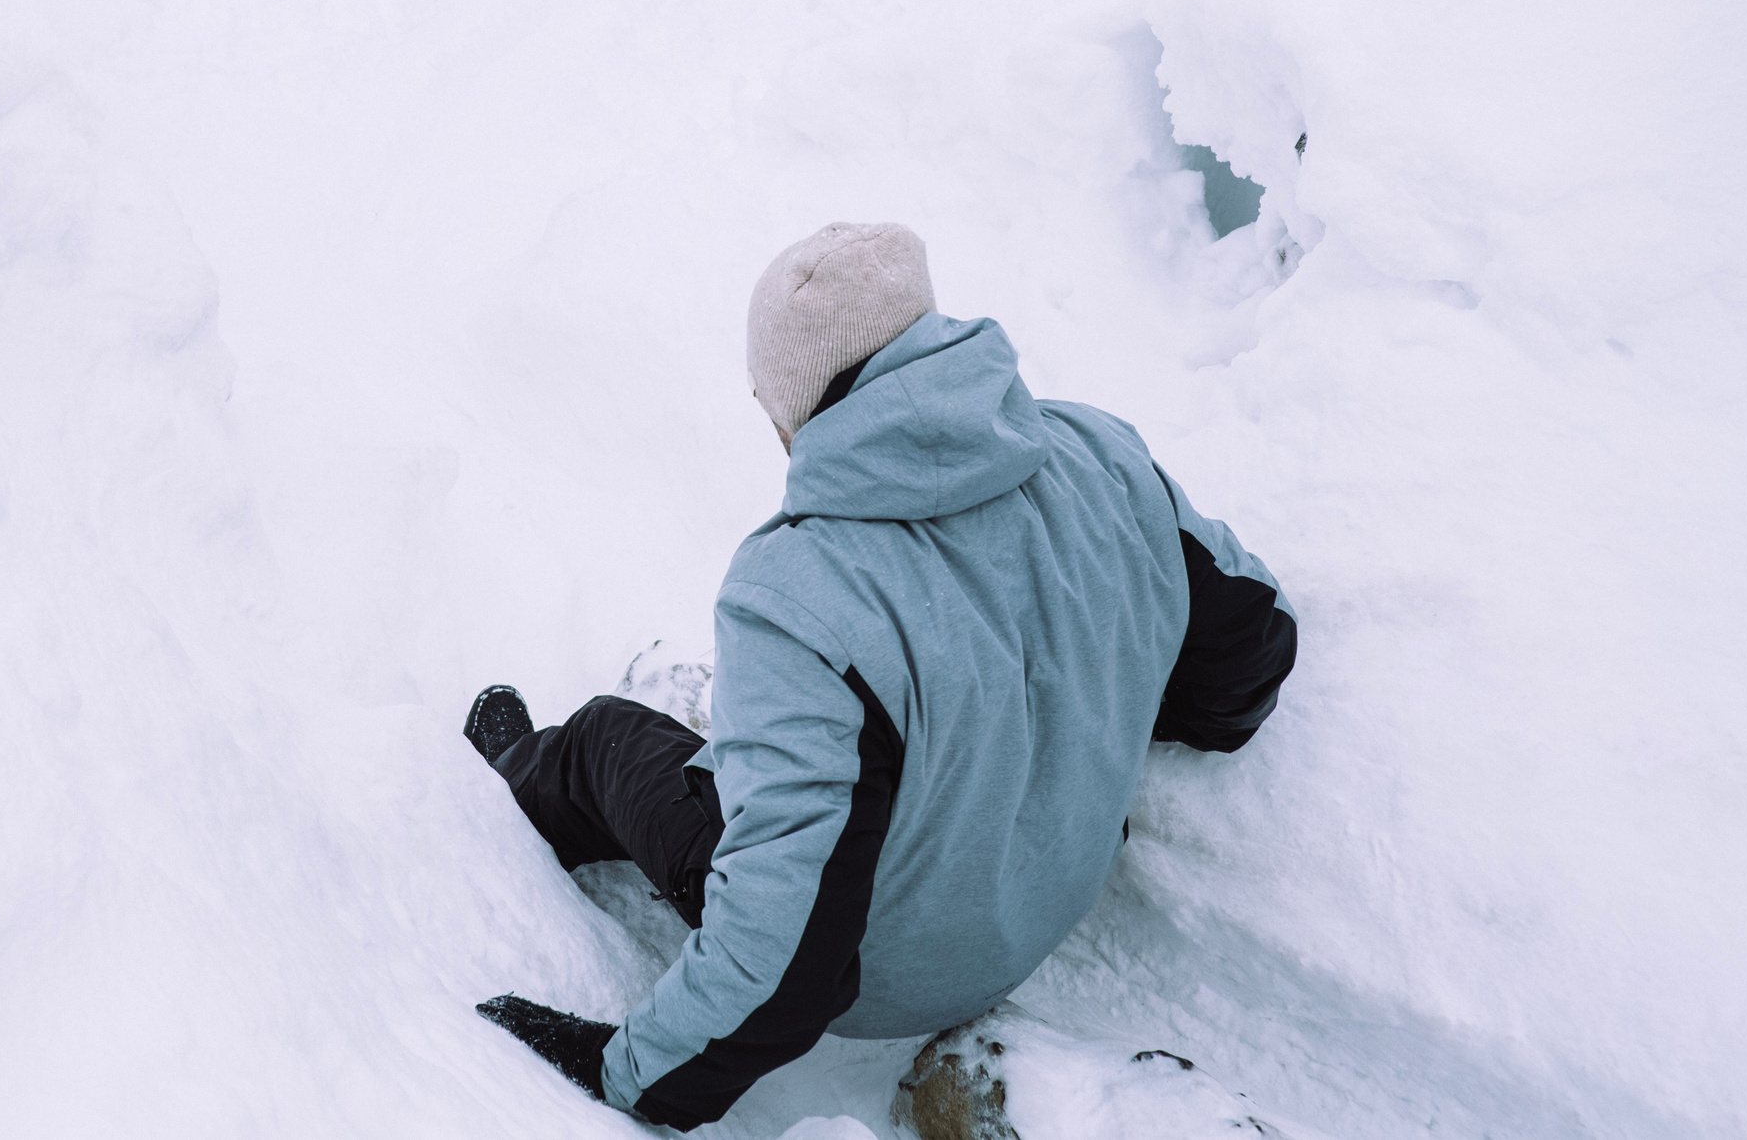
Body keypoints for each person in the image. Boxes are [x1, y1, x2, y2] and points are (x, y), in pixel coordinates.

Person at [468, 222, 1296, 1131]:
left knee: (603, 739)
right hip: (1063, 878)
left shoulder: (798, 598)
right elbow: (1252, 652)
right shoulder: (1100, 455)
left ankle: (500, 783)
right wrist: (1088, 699)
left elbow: (787, 965)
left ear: (800, 403)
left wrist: (623, 1072)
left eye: (768, 402)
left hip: (899, 969)